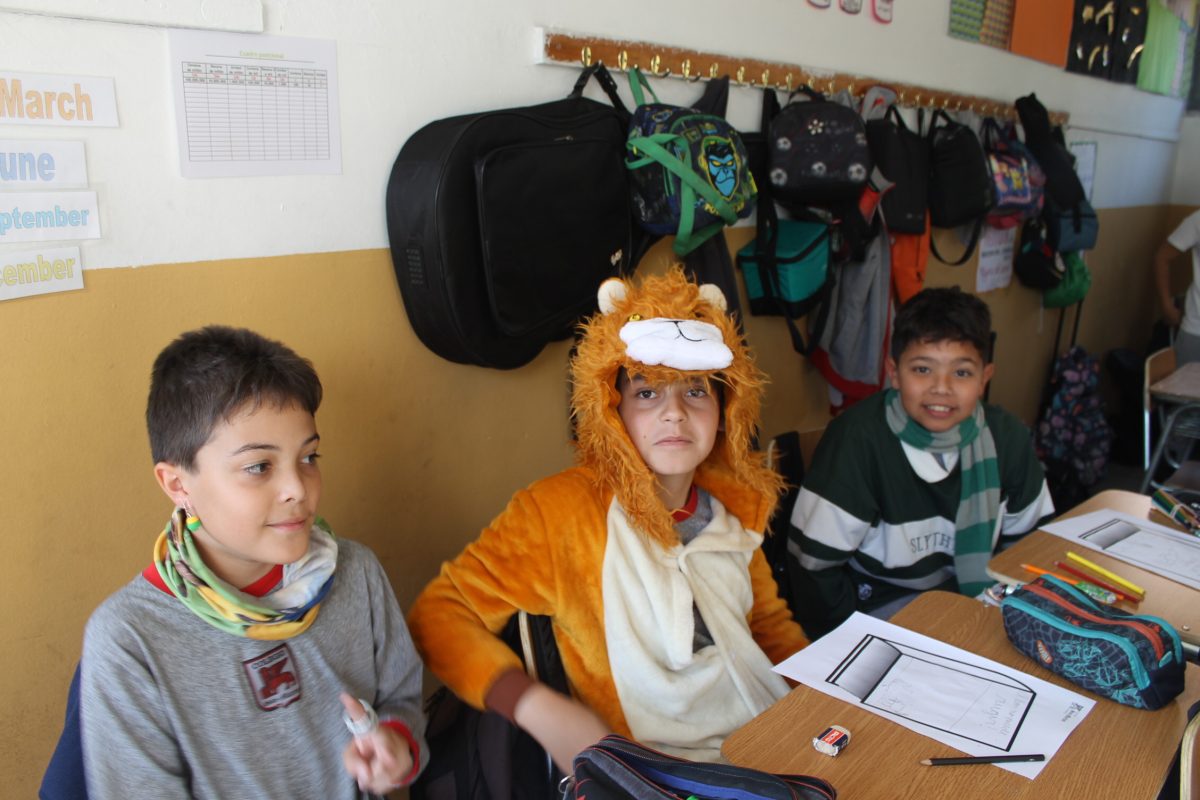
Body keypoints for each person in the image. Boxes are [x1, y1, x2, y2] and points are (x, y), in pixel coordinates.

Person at [408, 268, 808, 770]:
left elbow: (767, 625)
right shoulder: (558, 514)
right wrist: (536, 708)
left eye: (696, 390)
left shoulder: (735, 506)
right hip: (655, 768)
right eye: (646, 392)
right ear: (610, 407)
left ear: (727, 407)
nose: (675, 414)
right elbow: (440, 615)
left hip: (773, 733)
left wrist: (816, 703)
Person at [78, 326, 427, 798]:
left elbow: (403, 704)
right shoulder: (130, 638)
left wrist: (398, 748)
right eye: (259, 466)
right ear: (178, 485)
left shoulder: (355, 572)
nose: (298, 489)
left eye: (309, 457)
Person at [787, 287, 1054, 639]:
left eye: (961, 373)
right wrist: (843, 644)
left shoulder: (1007, 438)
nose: (941, 388)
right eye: (923, 369)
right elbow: (813, 568)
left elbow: (1030, 550)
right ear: (894, 372)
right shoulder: (858, 442)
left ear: (985, 377)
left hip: (975, 599)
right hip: (876, 606)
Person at [1154, 208, 1200, 364]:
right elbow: (1162, 257)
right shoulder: (1197, 220)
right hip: (1196, 329)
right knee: (1183, 387)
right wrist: (1167, 307)